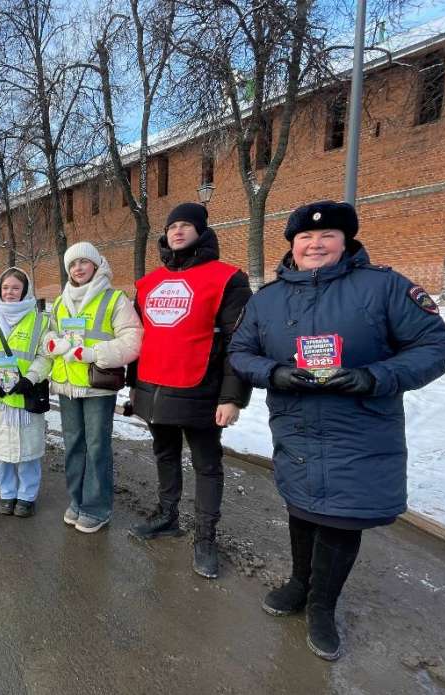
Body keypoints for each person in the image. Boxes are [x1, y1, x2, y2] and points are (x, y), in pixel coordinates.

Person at [229, 200, 445, 661]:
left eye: (327, 236)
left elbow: (437, 345)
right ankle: (299, 581)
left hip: (360, 426)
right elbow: (240, 350)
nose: (315, 244)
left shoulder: (384, 287)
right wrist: (274, 373)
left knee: (341, 515)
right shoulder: (269, 298)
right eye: (305, 238)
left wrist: (375, 377)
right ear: (292, 245)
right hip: (295, 424)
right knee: (302, 505)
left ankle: (322, 606)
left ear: (345, 241)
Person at [128, 203, 252, 579]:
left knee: (206, 465)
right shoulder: (147, 284)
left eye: (185, 225)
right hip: (154, 387)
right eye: (172, 226)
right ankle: (167, 516)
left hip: (201, 389)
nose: (177, 231)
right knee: (164, 454)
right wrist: (133, 388)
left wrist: (232, 397)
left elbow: (239, 342)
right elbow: (138, 338)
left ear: (201, 231)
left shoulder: (227, 278)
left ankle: (205, 537)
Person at [43, 242, 142, 533]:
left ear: (97, 265)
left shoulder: (114, 299)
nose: (78, 268)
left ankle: (97, 508)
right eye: (72, 264)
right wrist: (53, 343)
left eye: (84, 262)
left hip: (97, 385)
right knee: (73, 445)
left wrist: (93, 353)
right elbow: (49, 330)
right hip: (67, 384)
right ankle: (77, 501)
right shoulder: (61, 301)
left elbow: (133, 340)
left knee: (97, 447)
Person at [0, 267, 51, 517]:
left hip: (27, 395)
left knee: (28, 451)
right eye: (5, 288)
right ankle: (7, 493)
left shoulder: (41, 320)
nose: (10, 293)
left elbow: (45, 354)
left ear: (24, 290)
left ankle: (27, 496)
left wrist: (31, 378)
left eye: (16, 288)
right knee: (2, 451)